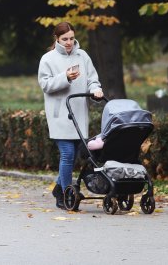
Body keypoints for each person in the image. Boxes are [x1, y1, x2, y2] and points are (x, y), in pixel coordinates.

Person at [38, 22, 103, 209]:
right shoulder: (48, 59)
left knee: (74, 156)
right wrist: (65, 77)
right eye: (64, 39)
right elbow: (45, 85)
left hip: (79, 113)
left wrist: (96, 90)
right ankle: (66, 192)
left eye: (71, 38)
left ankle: (59, 188)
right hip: (60, 115)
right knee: (67, 154)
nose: (68, 42)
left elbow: (92, 78)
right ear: (57, 39)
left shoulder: (82, 56)